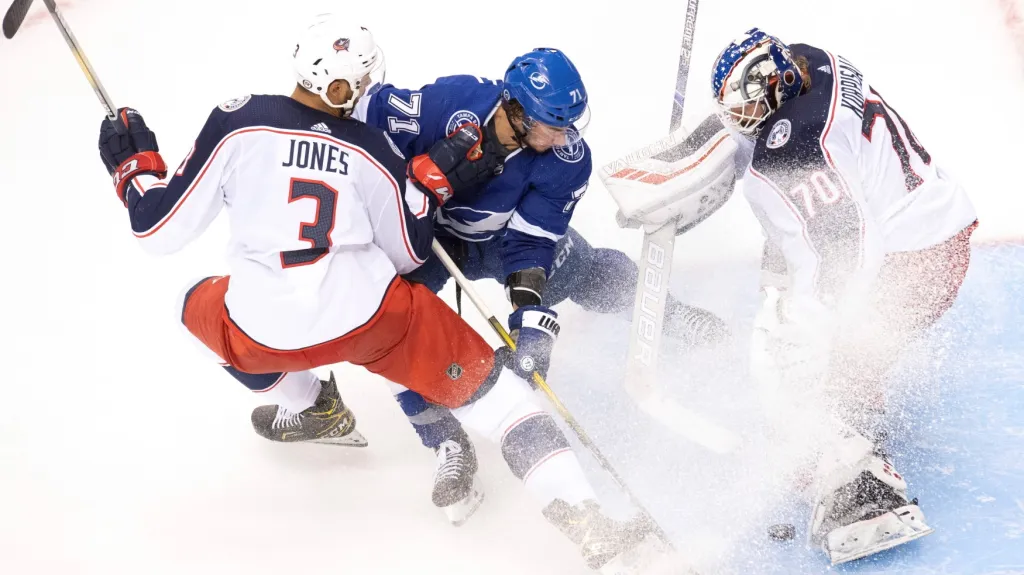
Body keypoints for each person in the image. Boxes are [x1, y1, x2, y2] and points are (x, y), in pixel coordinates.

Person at [96, 15, 651, 570]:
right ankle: (533, 488)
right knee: (491, 390)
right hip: (373, 311)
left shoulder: (239, 121)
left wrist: (133, 168)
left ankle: (311, 403)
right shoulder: (384, 138)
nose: (565, 138)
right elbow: (409, 249)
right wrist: (427, 183)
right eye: (554, 126)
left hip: (280, 323)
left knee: (189, 309)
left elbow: (156, 229)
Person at [601, 28, 977, 565]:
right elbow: (755, 127)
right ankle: (851, 434)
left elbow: (846, 250)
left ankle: (867, 498)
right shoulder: (810, 60)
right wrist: (680, 164)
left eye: (749, 105)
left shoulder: (794, 151)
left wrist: (808, 330)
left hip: (912, 257)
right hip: (936, 222)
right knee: (837, 355)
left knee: (818, 368)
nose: (741, 116)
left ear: (776, 84)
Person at [346, 47, 729, 524]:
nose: (563, 134)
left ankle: (671, 315)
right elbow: (363, 113)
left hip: (502, 239)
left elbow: (533, 241)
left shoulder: (566, 159)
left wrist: (530, 321)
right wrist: (404, 176)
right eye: (552, 123)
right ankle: (444, 440)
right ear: (515, 110)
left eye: (569, 123)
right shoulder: (453, 102)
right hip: (429, 235)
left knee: (587, 271)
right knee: (389, 327)